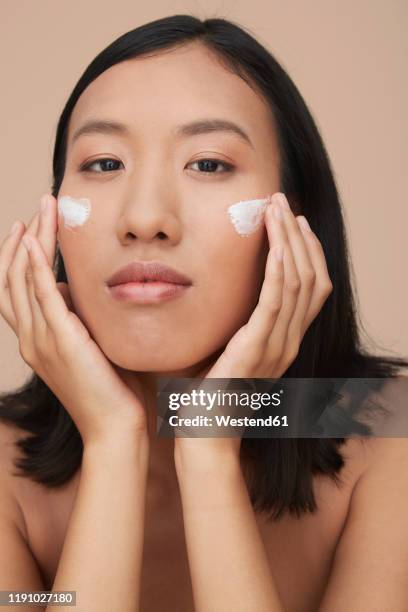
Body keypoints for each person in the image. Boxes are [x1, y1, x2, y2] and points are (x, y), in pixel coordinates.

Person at [0, 13, 407, 612]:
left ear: (292, 220)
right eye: (104, 164)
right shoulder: (7, 470)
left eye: (208, 163)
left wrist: (209, 437)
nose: (144, 218)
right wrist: (113, 443)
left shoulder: (390, 436)